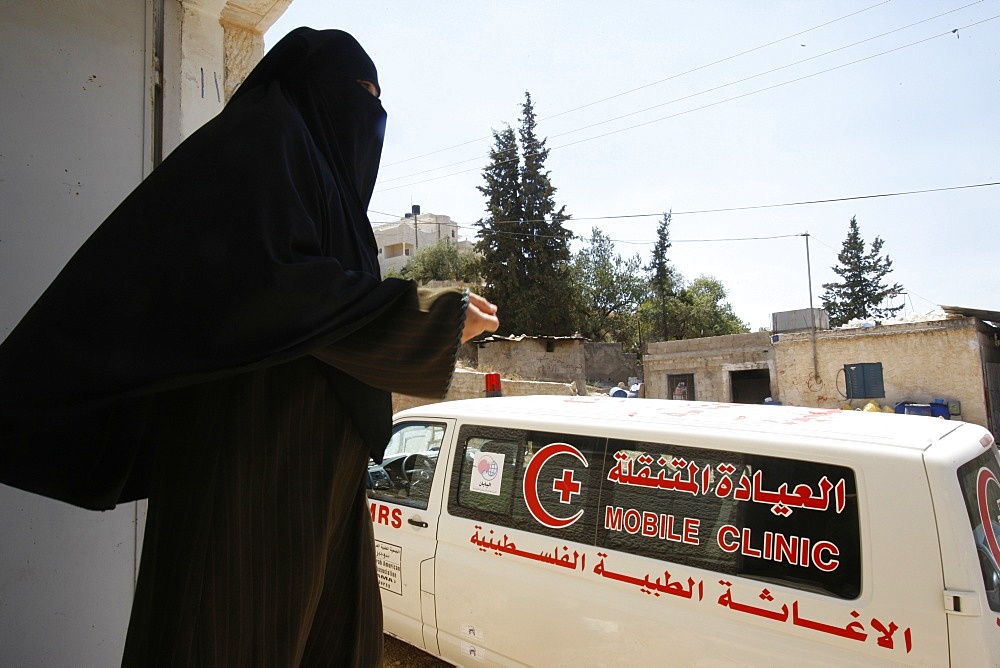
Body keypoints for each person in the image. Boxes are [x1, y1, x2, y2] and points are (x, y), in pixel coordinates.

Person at [0, 28, 497, 666]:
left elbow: (322, 302)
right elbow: (276, 288)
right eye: (358, 93)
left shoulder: (313, 172)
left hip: (320, 476)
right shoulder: (262, 144)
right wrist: (433, 316)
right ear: (314, 88)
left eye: (377, 98)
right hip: (249, 469)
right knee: (231, 627)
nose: (368, 112)